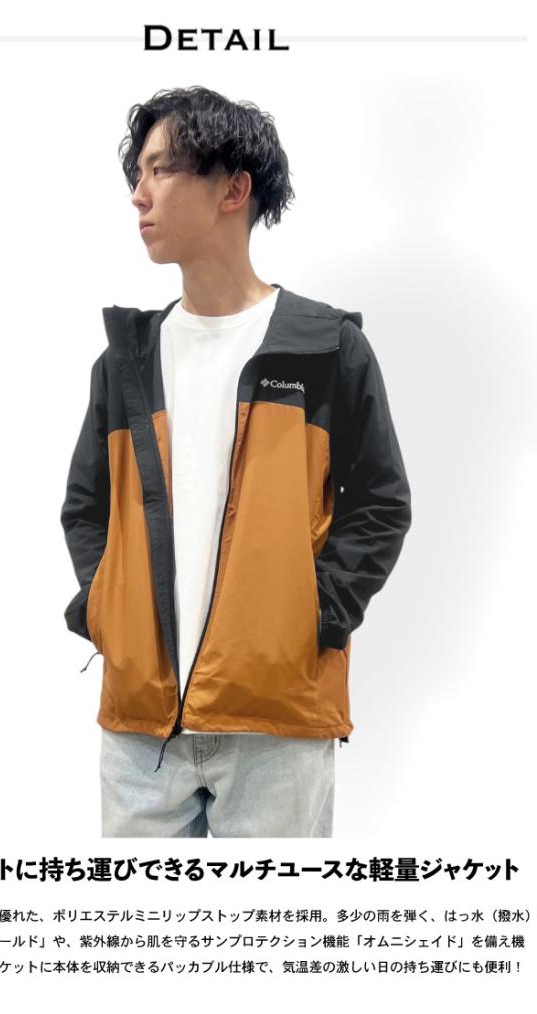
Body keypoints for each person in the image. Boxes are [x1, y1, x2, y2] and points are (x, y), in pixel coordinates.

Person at [60, 85, 412, 838]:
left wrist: (316, 614)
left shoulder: (326, 349)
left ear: (233, 189)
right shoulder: (126, 362)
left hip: (276, 723)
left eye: (161, 170)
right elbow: (85, 507)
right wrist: (107, 609)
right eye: (138, 173)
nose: (139, 194)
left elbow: (382, 502)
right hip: (140, 732)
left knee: (271, 919)